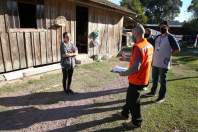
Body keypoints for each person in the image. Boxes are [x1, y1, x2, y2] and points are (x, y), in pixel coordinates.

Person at [116, 24, 154, 129]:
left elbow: (136, 67)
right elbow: (141, 60)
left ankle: (136, 122)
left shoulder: (138, 47)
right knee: (130, 97)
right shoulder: (149, 45)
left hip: (137, 79)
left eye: (132, 32)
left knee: (134, 101)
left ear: (136, 33)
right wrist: (126, 59)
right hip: (144, 78)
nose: (131, 34)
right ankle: (124, 113)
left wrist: (124, 73)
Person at [145, 21, 180, 103]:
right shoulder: (157, 37)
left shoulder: (171, 37)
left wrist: (169, 55)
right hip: (155, 61)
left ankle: (161, 97)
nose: (162, 28)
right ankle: (153, 92)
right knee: (154, 78)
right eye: (160, 26)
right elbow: (153, 46)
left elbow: (177, 49)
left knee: (162, 81)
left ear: (167, 27)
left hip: (164, 63)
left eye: (164, 26)